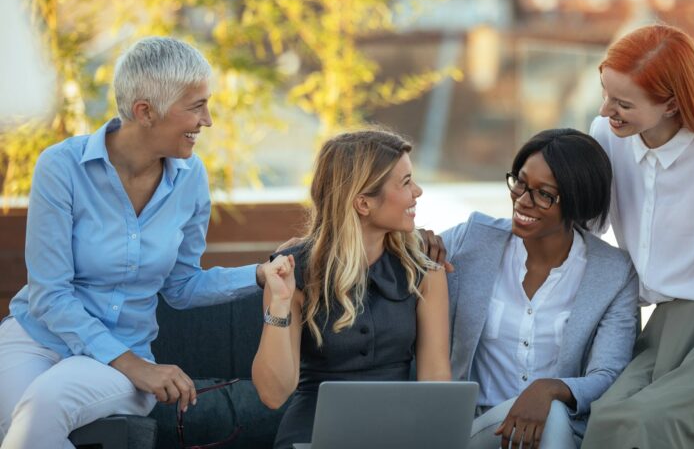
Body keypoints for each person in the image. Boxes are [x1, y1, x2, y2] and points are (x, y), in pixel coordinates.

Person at [0, 37, 276, 449]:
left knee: (41, 407)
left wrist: (259, 274)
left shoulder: (191, 178)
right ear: (145, 111)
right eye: (196, 106)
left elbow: (181, 287)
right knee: (18, 428)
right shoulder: (61, 167)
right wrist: (139, 369)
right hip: (37, 337)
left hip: (124, 350)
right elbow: (50, 294)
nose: (208, 120)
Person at [582, 23, 694, 448]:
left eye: (623, 103)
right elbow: (586, 226)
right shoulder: (607, 137)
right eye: (605, 93)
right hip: (659, 326)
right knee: (606, 419)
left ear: (670, 104)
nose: (607, 110)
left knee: (645, 425)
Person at [427, 128, 638, 449]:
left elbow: (608, 372)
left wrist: (549, 389)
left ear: (578, 200)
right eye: (521, 183)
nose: (523, 201)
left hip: (557, 427)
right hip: (476, 428)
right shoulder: (472, 239)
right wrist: (414, 239)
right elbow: (403, 256)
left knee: (552, 415)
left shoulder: (614, 272)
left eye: (544, 194)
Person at [251, 129, 451, 449]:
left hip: (398, 433)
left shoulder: (425, 273)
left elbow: (436, 386)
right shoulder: (292, 271)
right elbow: (273, 395)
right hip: (312, 433)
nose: (418, 191)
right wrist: (279, 302)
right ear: (363, 203)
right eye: (405, 182)